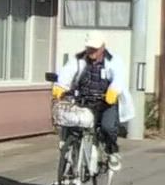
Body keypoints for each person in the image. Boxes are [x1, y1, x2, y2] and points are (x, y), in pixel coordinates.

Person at [51, 33, 124, 171]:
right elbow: (67, 72)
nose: (91, 51)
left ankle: (112, 152)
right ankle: (68, 164)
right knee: (70, 123)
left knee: (107, 127)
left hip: (105, 101)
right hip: (83, 99)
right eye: (89, 47)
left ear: (102, 47)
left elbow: (119, 77)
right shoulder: (78, 59)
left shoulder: (113, 60)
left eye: (95, 48)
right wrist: (60, 87)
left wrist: (113, 90)